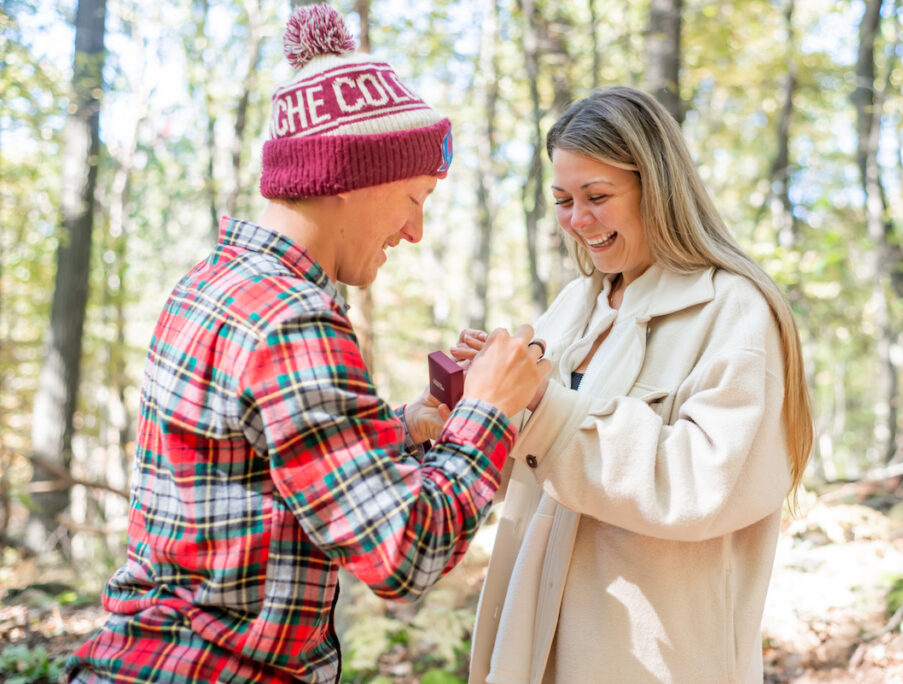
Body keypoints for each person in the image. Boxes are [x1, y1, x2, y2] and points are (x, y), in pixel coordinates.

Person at [66, 5, 549, 683]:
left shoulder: (216, 283)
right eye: (415, 197)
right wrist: (490, 412)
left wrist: (407, 431)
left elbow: (270, 467)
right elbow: (403, 556)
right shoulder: (293, 319)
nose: (415, 231)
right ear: (352, 180)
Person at [467, 86, 815, 684]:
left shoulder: (734, 310)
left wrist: (542, 405)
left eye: (597, 197)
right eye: (562, 200)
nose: (578, 220)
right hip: (540, 636)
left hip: (655, 657)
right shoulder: (578, 306)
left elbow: (702, 484)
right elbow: (527, 464)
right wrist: (476, 406)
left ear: (657, 186)